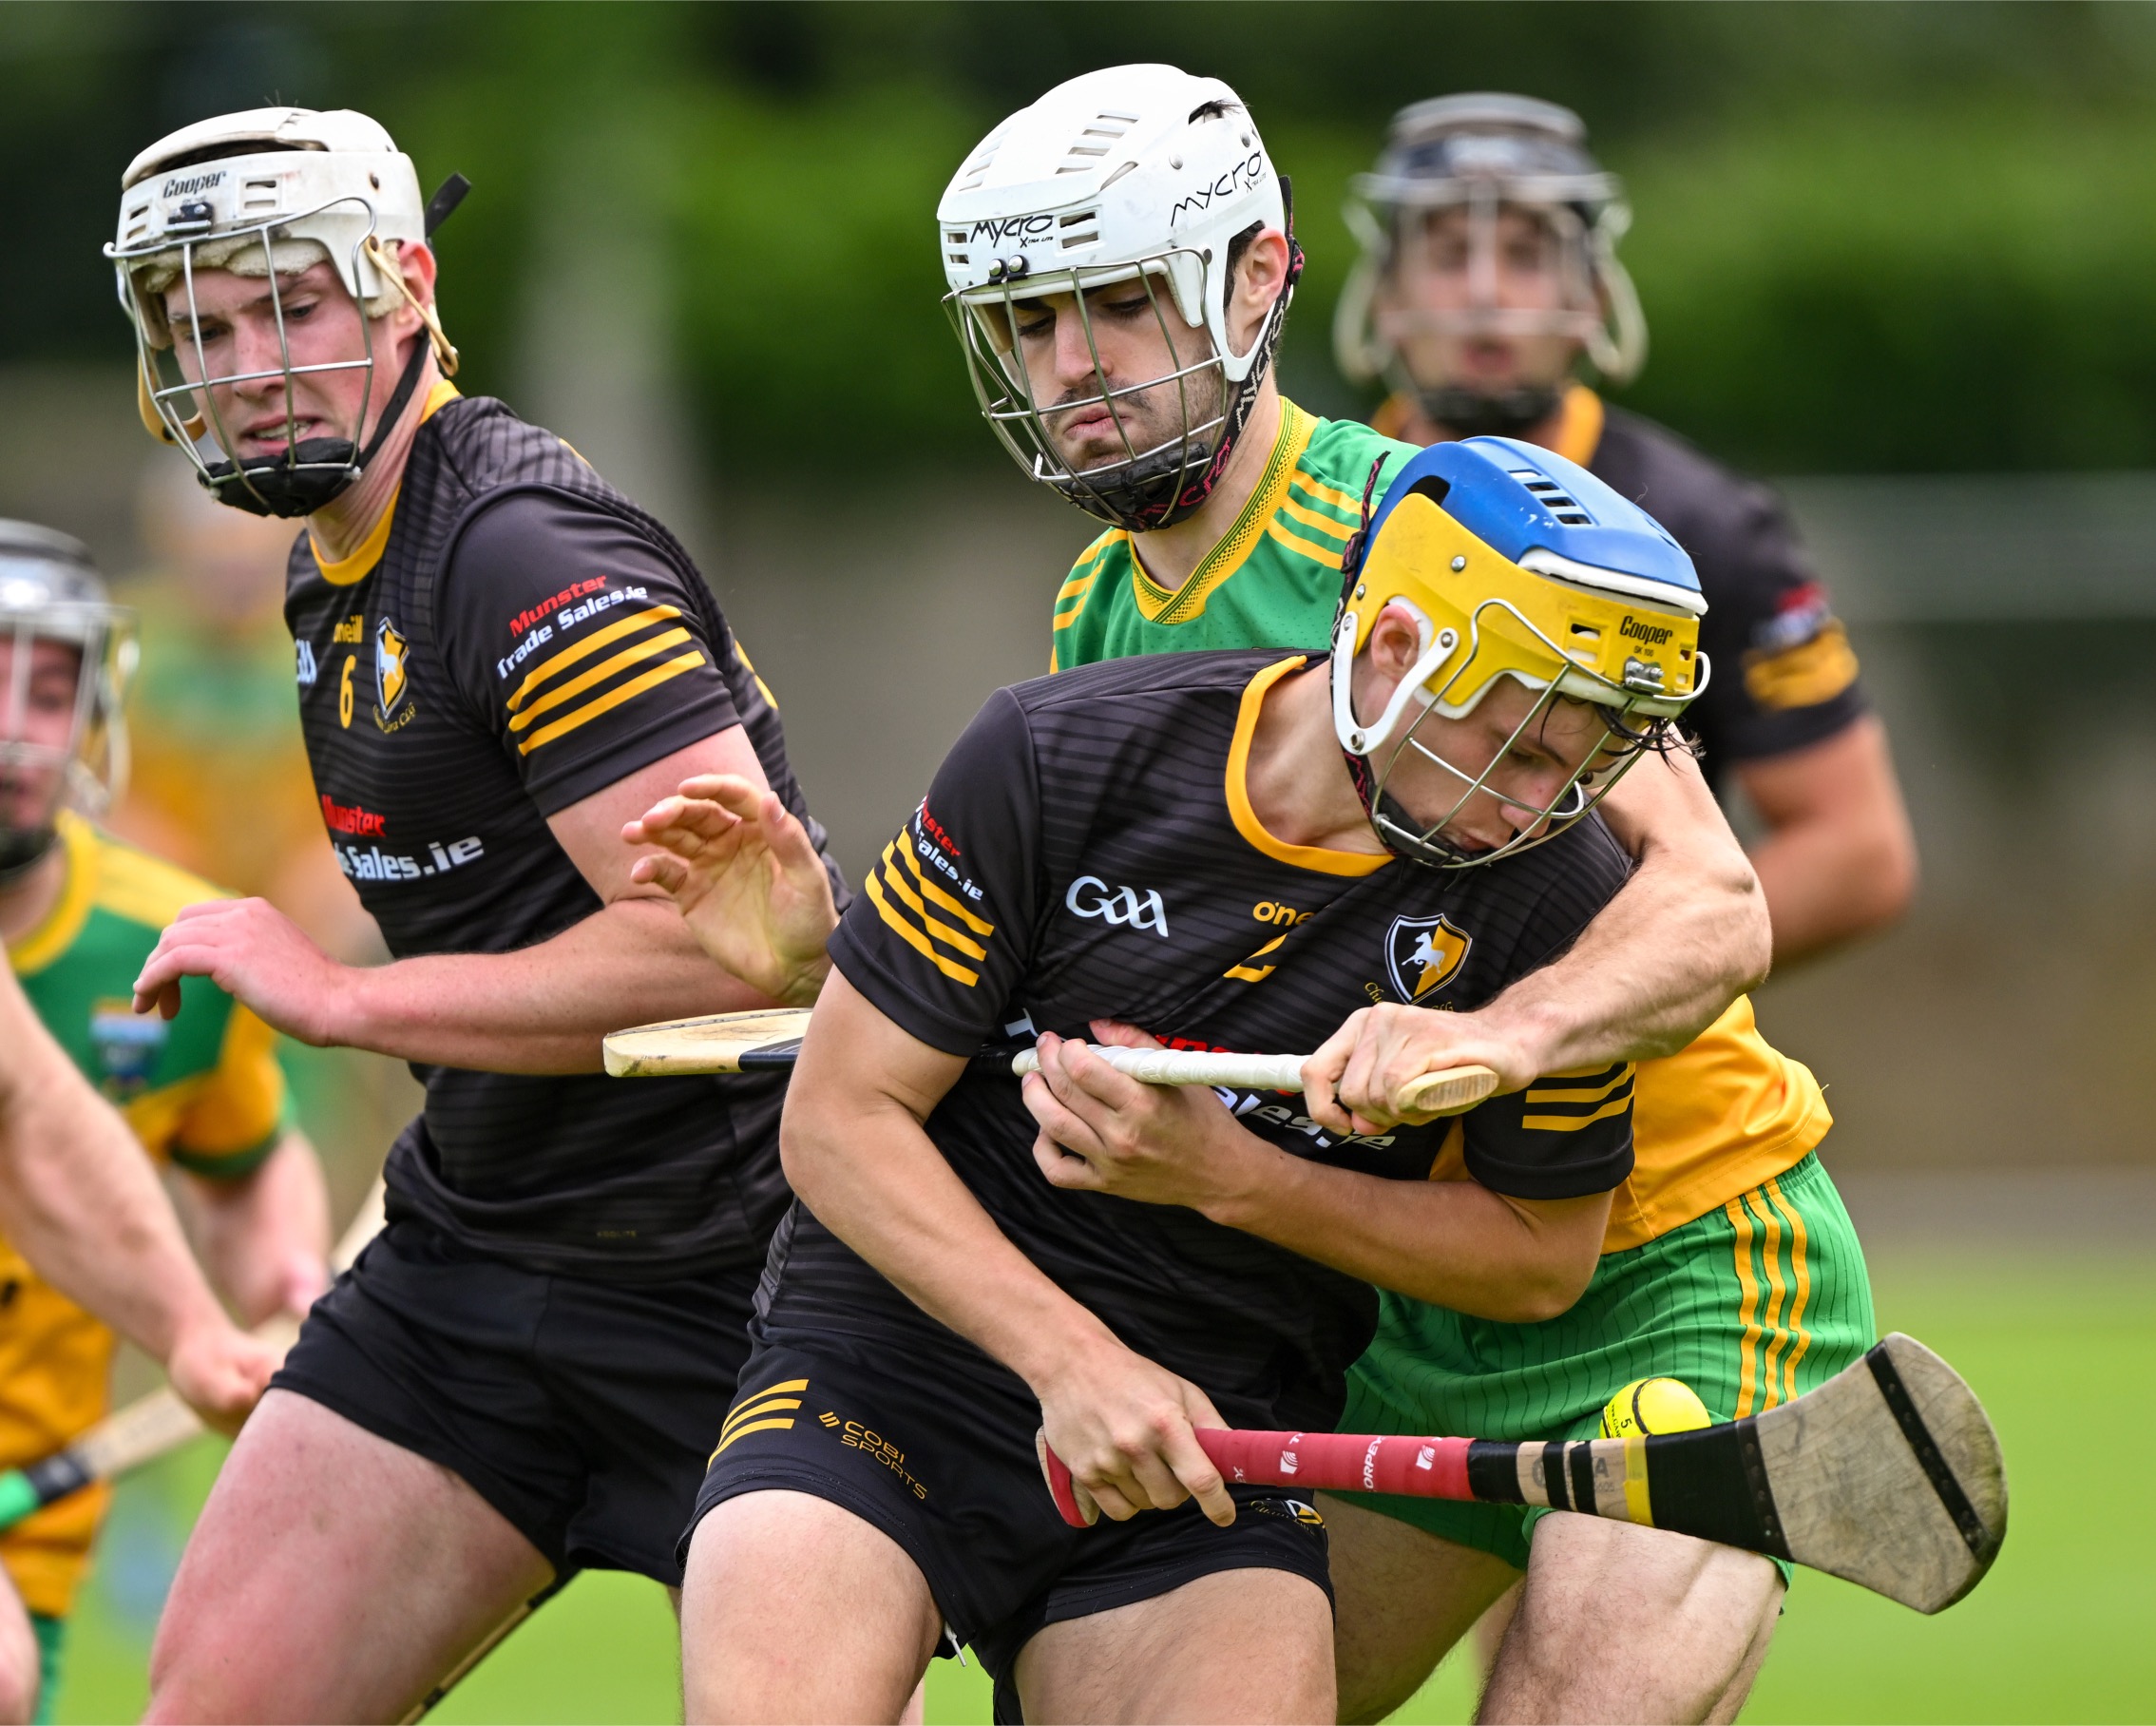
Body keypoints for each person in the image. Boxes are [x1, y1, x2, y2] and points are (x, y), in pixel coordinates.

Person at [936, 67, 1876, 1721]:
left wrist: (1500, 1041)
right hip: (1392, 1300)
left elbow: (1714, 902)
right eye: (1030, 321)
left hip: (1670, 1272)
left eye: (1119, 304)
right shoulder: (1094, 612)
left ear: (1249, 283)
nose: (1071, 364)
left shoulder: (1425, 527)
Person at [639, 437, 1708, 1724]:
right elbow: (836, 1119)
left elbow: (1538, 1257)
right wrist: (1075, 1367)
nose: (1540, 803)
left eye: (1585, 765)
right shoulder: (1061, 753)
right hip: (887, 1369)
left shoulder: (1560, 897)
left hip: (1209, 1435)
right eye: (1519, 747)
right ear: (1395, 649)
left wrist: (1232, 1177)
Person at [105, 106, 844, 1721]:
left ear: (407, 289)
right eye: (207, 330)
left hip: (736, 1274)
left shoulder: (519, 551)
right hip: (477, 1250)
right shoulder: (328, 560)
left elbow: (718, 952)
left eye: (292, 307)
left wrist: (343, 1000)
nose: (251, 367)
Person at [1337, 92, 1916, 967]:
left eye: (1526, 254)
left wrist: (1606, 985)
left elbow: (1856, 852)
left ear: (1593, 292)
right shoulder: (1318, 495)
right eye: (1449, 254)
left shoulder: (1706, 523)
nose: (1486, 293)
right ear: (1385, 294)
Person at [0, 524, 327, 1724]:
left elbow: (244, 1165)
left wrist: (284, 1288)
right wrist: (187, 1328)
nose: (14, 730)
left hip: (29, 1529)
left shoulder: (170, 944)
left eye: (49, 692)